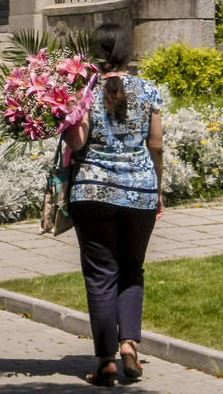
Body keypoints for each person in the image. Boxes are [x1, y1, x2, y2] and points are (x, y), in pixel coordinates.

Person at [64, 22, 163, 387]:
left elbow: (76, 144)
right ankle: (129, 346)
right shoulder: (149, 90)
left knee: (100, 276)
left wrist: (64, 110)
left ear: (98, 53)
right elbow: (156, 145)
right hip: (140, 193)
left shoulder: (85, 92)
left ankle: (105, 361)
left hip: (92, 195)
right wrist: (158, 188)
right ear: (127, 51)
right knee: (132, 270)